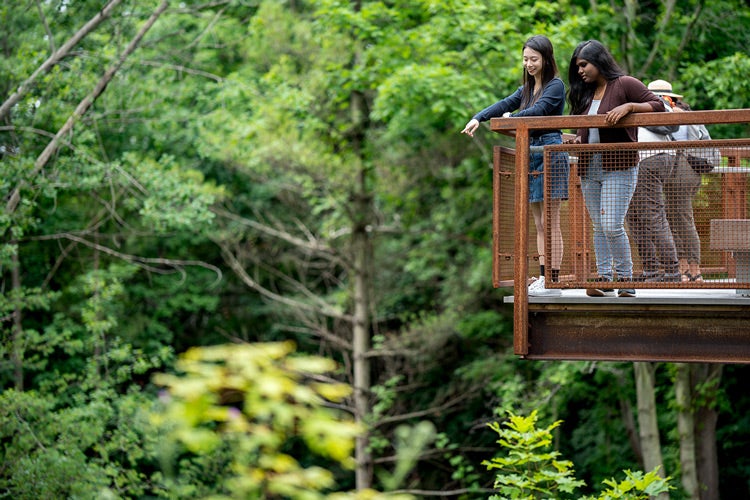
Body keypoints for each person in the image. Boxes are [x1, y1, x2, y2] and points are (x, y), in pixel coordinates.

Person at [462, 35, 569, 297]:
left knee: (550, 219)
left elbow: (540, 111)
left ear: (546, 59)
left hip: (550, 150)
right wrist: (479, 117)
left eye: (533, 59)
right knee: (538, 222)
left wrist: (512, 118)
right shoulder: (526, 89)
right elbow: (504, 104)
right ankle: (544, 277)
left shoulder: (555, 86)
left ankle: (552, 279)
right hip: (530, 152)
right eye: (525, 59)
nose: (528, 64)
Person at [566, 40, 666, 297]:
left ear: (599, 61)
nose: (580, 71)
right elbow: (585, 130)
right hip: (590, 167)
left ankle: (626, 278)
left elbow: (658, 105)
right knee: (599, 226)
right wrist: (577, 139)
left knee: (611, 224)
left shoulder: (624, 84)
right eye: (577, 66)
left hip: (619, 165)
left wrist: (629, 107)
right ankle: (604, 277)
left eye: (584, 65)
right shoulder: (585, 93)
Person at [651, 80, 710, 282]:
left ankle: (691, 270)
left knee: (679, 221)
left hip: (678, 171)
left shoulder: (667, 114)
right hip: (691, 173)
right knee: (679, 219)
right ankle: (688, 269)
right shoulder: (689, 115)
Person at [625, 81, 682, 282]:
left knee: (650, 215)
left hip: (647, 158)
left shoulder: (640, 103)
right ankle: (651, 269)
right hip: (659, 157)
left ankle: (671, 271)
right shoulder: (667, 107)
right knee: (635, 217)